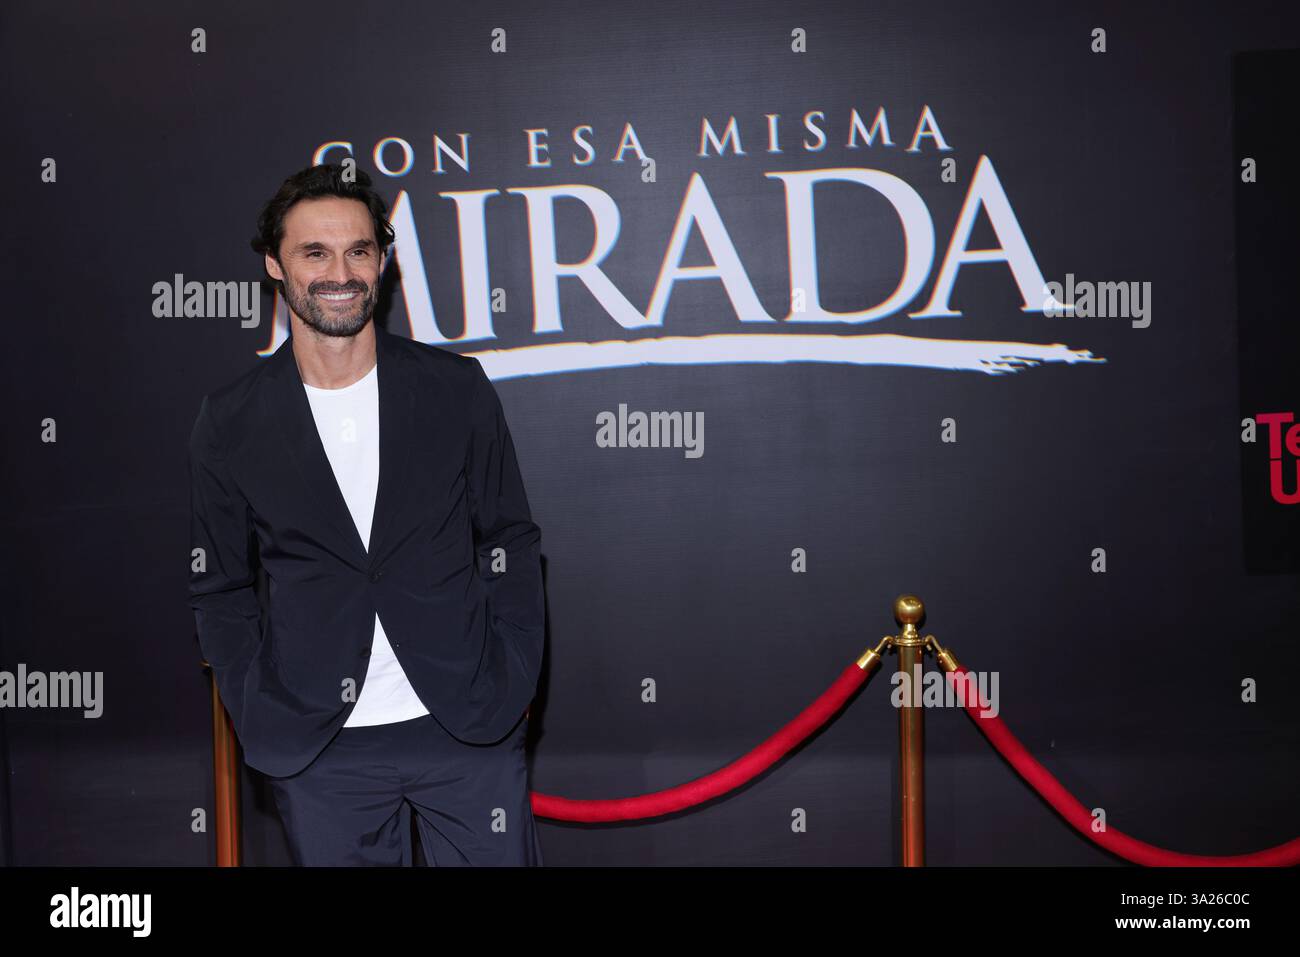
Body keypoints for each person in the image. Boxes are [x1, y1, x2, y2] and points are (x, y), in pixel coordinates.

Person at [187, 163, 544, 865]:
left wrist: (514, 680)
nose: (339, 271)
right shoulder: (231, 420)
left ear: (381, 261)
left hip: (466, 728)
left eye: (358, 250)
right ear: (273, 262)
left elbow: (511, 540)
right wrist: (260, 707)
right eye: (314, 252)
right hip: (322, 747)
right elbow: (220, 587)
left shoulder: (453, 389)